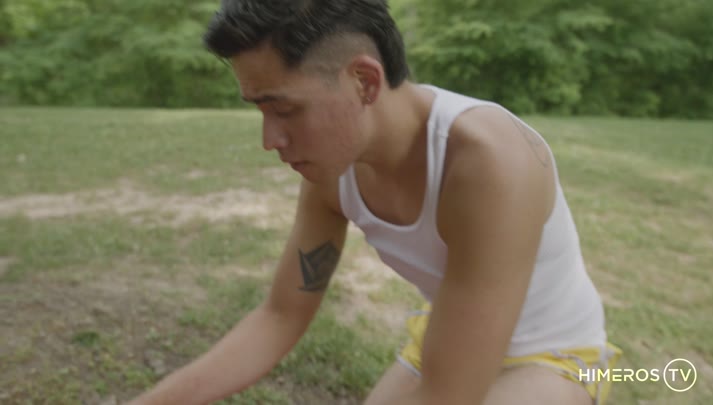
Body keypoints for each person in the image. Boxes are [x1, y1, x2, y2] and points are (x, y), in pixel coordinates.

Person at [128, 0, 622, 404]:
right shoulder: (333, 170)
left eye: (285, 109)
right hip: (448, 341)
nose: (269, 139)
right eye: (261, 111)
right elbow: (280, 317)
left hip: (558, 357)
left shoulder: (488, 160)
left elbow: (449, 396)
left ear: (364, 81)